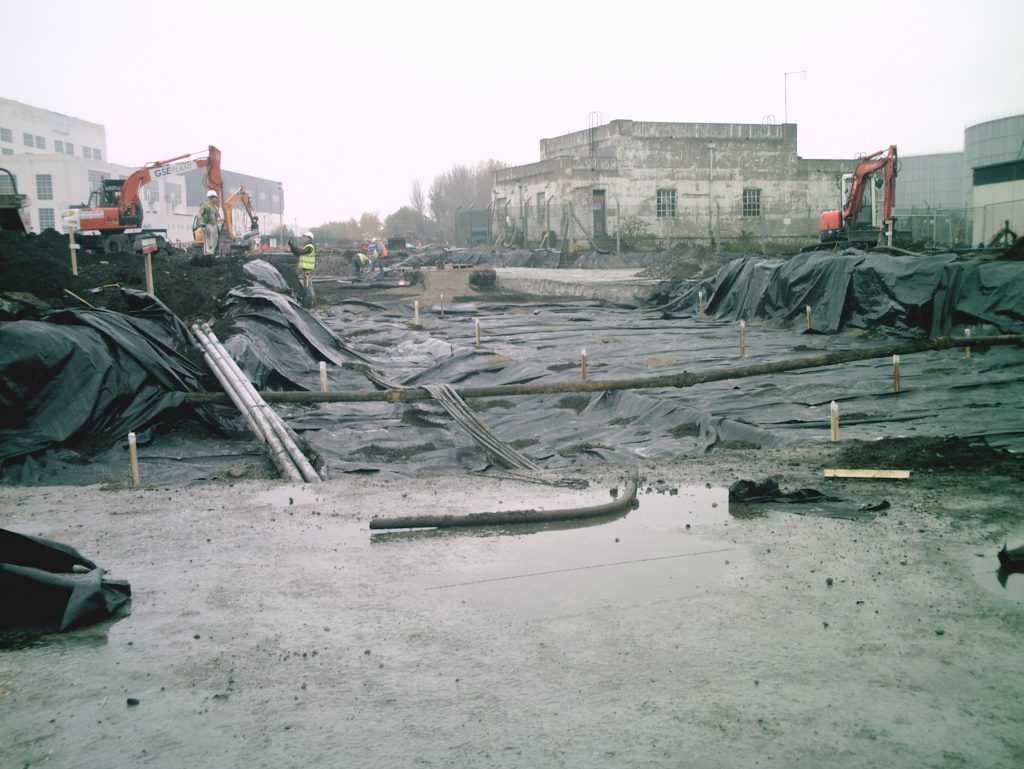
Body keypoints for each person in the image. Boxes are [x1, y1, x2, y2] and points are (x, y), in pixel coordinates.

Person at [198, 190, 221, 256]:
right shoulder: (205, 206)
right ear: (211, 198)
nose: (216, 199)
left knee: (215, 239)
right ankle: (207, 254)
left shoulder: (215, 207)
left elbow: (217, 216)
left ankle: (211, 252)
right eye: (215, 197)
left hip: (214, 225)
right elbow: (199, 214)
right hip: (207, 225)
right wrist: (201, 222)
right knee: (207, 240)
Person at [297, 231, 316, 306]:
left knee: (308, 286)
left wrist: (295, 249)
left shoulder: (309, 247)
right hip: (305, 270)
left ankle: (309, 303)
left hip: (307, 270)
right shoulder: (306, 246)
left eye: (305, 237)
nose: (304, 238)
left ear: (309, 238)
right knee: (306, 285)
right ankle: (311, 300)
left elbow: (302, 252)